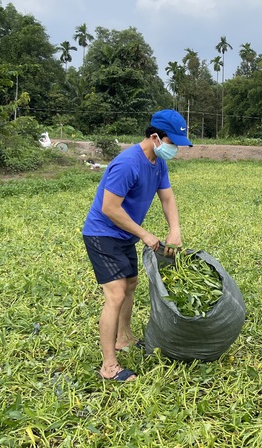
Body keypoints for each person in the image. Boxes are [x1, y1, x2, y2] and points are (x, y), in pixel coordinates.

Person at [82, 109, 192, 382]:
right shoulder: (127, 163)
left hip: (123, 235)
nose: (175, 149)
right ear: (155, 137)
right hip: (102, 233)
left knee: (131, 284)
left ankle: (124, 338)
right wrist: (144, 234)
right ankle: (109, 367)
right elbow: (109, 208)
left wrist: (174, 229)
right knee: (116, 293)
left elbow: (167, 198)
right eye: (172, 144)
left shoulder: (158, 162)